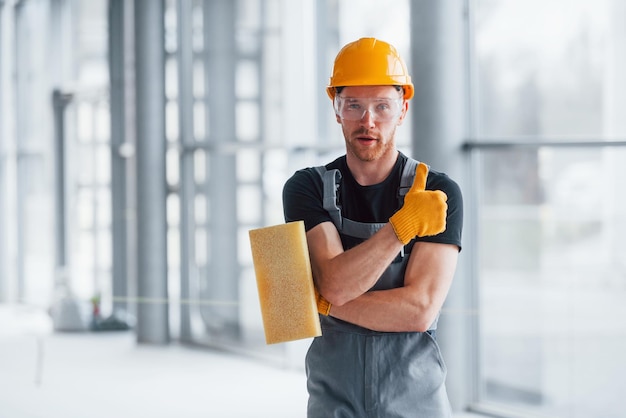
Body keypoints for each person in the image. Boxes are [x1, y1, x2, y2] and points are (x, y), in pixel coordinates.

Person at [282, 37, 463, 417]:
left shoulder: (437, 192)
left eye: (382, 106)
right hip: (334, 401)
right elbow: (335, 283)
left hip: (416, 403)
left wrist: (321, 302)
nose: (368, 121)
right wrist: (403, 227)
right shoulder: (306, 187)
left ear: (402, 110)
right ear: (336, 109)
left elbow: (418, 312)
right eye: (354, 106)